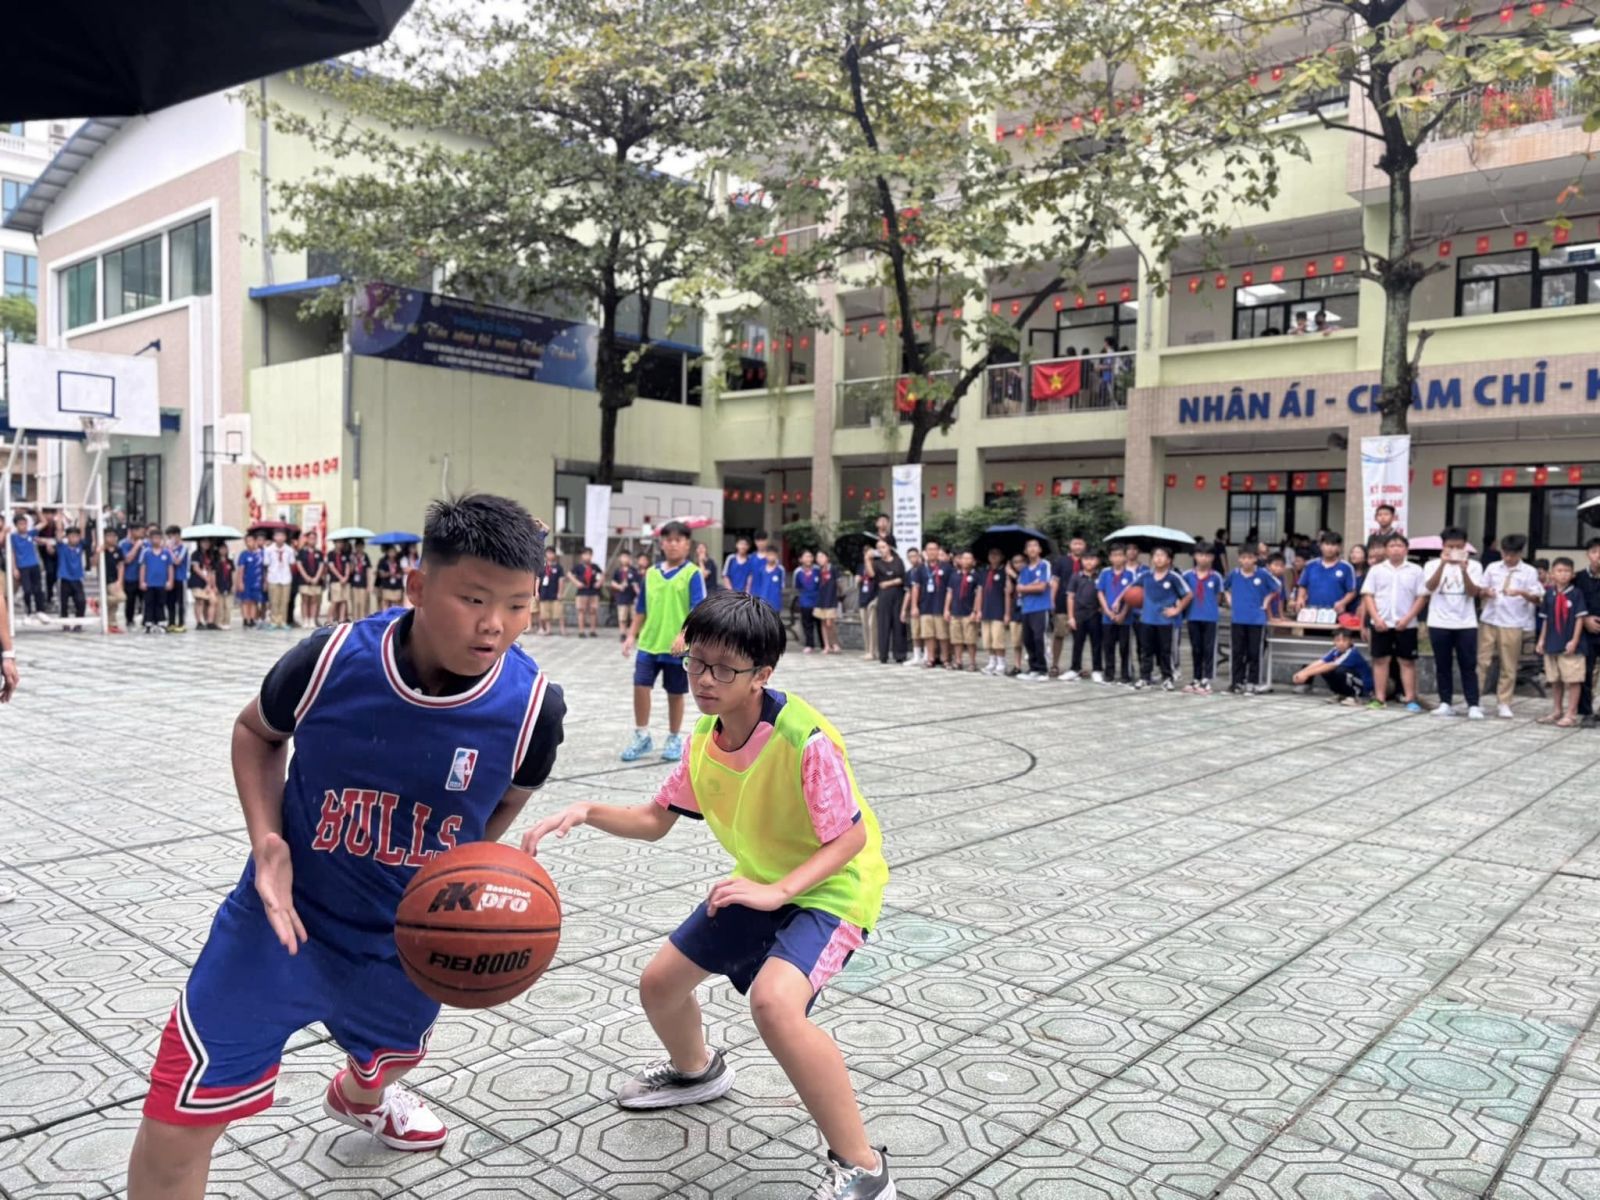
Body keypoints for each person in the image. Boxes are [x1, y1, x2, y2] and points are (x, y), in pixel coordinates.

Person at [124, 496, 565, 1200]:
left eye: (518, 605)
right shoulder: (331, 659)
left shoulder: (534, 708)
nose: (495, 625)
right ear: (417, 586)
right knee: (176, 1123)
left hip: (406, 941)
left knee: (393, 1058)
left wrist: (468, 875)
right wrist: (268, 842)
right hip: (281, 922)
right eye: (475, 599)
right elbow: (257, 732)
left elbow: (509, 797)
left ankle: (364, 1098)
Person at [522, 590, 894, 1200]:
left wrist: (778, 891)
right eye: (696, 662)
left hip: (832, 891)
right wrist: (586, 810)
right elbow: (654, 819)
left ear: (761, 675)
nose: (703, 679)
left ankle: (864, 1167)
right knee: (659, 984)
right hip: (761, 882)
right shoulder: (704, 737)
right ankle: (697, 1071)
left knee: (775, 1005)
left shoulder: (803, 737)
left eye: (724, 669)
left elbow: (849, 840)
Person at [622, 521, 707, 762]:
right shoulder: (650, 573)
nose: (673, 544)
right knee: (640, 686)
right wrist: (631, 635)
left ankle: (673, 737)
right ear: (662, 544)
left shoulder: (692, 573)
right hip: (649, 642)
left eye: (678, 540)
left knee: (675, 693)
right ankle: (642, 735)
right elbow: (641, 608)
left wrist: (684, 635)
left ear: (687, 544)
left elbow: (698, 610)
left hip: (677, 647)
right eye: (668, 540)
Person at [1421, 526, 1485, 719]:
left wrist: (1464, 571)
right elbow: (1430, 587)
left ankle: (1473, 704)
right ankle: (1445, 702)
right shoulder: (1431, 565)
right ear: (1443, 546)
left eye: (1459, 546)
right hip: (1439, 622)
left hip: (1466, 623)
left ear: (1465, 546)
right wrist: (1442, 564)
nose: (1455, 550)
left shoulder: (1475, 566)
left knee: (1468, 664)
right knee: (1443, 664)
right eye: (1450, 546)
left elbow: (1473, 593)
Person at [1478, 534, 1542, 719]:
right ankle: (1476, 698)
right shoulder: (1492, 567)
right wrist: (1487, 592)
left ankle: (1504, 702)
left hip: (1513, 622)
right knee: (1482, 661)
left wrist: (1521, 592)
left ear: (1520, 553)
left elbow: (1537, 598)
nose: (1507, 558)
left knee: (1509, 664)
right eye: (1504, 554)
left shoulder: (1529, 571)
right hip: (1490, 619)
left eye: (1512, 555)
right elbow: (1480, 590)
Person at [1362, 532, 1427, 712]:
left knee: (1407, 661)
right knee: (1380, 661)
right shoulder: (1376, 570)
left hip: (1406, 624)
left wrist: (1407, 619)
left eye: (1400, 546)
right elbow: (1368, 595)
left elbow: (1422, 597)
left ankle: (1410, 699)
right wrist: (1376, 618)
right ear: (1386, 549)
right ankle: (1379, 698)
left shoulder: (1416, 570)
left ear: (1406, 549)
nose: (1396, 549)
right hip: (1381, 623)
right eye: (1392, 546)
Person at [1537, 557, 1588, 727]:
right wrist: (1542, 640)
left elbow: (1580, 618)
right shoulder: (1549, 594)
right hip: (1552, 642)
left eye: (1567, 571)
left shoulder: (1576, 593)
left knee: (1573, 679)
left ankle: (1571, 713)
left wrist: (1574, 640)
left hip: (1570, 645)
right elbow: (1546, 619)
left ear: (1573, 574)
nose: (1563, 574)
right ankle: (1557, 710)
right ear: (1552, 574)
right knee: (1555, 679)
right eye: (1559, 571)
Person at [1132, 546, 1191, 690]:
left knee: (1165, 651)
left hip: (1165, 621)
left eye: (1162, 555)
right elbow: (1131, 590)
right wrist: (1119, 601)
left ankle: (1167, 678)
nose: (1158, 558)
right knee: (1146, 650)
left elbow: (1188, 595)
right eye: (1155, 555)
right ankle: (1145, 678)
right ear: (1152, 559)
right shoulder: (1145, 576)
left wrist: (1177, 609)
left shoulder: (1173, 577)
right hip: (1147, 619)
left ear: (1169, 560)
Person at [1224, 545, 1275, 694]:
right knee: (1237, 651)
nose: (1246, 561)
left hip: (1256, 619)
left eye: (1250, 557)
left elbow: (1275, 588)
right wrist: (1229, 598)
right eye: (1243, 558)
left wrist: (1265, 602)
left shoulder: (1263, 574)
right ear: (1239, 559)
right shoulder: (1234, 574)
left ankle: (1253, 682)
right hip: (1238, 618)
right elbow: (1224, 587)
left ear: (1256, 558)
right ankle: (1236, 682)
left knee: (1255, 652)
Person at [1292, 626, 1374, 705]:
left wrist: (1306, 674)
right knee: (1325, 671)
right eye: (1338, 640)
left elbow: (1332, 665)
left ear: (1351, 641)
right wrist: (1301, 672)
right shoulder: (1335, 650)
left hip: (1363, 686)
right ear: (1334, 641)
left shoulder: (1352, 652)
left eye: (1344, 640)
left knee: (1339, 670)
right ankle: (1341, 694)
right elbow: (1322, 661)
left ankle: (1356, 697)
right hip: (1350, 680)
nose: (1341, 643)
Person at [1183, 543, 1223, 694]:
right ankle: (1196, 677)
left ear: (1212, 557)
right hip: (1193, 616)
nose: (1203, 558)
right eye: (1200, 555)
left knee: (1208, 648)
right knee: (1196, 648)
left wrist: (1210, 608)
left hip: (1210, 617)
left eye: (1207, 555)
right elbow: (1182, 594)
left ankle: (1207, 679)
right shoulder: (1187, 575)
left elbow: (1218, 597)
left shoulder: (1216, 576)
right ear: (1195, 556)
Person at [1097, 544, 1135, 685]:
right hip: (1107, 618)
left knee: (1125, 647)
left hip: (1125, 619)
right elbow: (1100, 592)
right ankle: (1109, 674)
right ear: (1110, 558)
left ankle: (1126, 674)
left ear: (1125, 557)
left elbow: (1132, 596)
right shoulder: (1105, 573)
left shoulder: (1130, 574)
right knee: (1108, 646)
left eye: (1120, 555)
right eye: (1114, 555)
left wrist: (1123, 613)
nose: (1117, 558)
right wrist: (1107, 611)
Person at [1294, 532, 1357, 618]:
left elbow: (1352, 591)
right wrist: (1300, 598)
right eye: (1327, 544)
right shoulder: (1310, 565)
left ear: (1339, 547)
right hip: (1311, 613)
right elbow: (1303, 585)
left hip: (1336, 614)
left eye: (1333, 545)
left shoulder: (1347, 567)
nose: (1329, 548)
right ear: (1321, 546)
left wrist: (1343, 603)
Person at [1015, 538, 1053, 681]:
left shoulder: (1044, 565)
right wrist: (1031, 586)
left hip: (1040, 607)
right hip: (1026, 608)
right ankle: (1033, 668)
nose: (1032, 548)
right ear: (1025, 551)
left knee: (1039, 638)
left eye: (1035, 546)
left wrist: (1027, 588)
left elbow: (1042, 587)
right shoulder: (1024, 569)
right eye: (1029, 546)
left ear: (1040, 549)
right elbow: (1019, 588)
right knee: (1028, 639)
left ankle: (1043, 670)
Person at [1049, 537, 1085, 678]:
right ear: (1070, 545)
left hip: (1082, 605)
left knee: (1079, 637)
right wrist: (1052, 600)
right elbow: (1055, 581)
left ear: (1084, 546)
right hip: (1062, 603)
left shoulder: (1087, 561)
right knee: (1059, 634)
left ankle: (1077, 666)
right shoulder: (1061, 561)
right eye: (1075, 543)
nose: (1078, 546)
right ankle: (1054, 665)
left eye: (1080, 543)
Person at [866, 539, 906, 664]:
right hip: (883, 596)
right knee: (883, 624)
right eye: (878, 548)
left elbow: (901, 578)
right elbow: (872, 575)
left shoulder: (898, 561)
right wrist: (867, 559)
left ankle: (899, 654)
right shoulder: (877, 563)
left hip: (898, 595)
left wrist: (889, 583)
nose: (881, 550)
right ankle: (883, 654)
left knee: (898, 624)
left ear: (888, 547)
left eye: (883, 547)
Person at [1065, 547, 1103, 682]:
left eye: (1092, 559)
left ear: (1097, 561)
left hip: (1095, 614)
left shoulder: (1101, 576)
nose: (1089, 562)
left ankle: (1097, 669)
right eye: (1086, 559)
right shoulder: (1076, 576)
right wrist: (1071, 617)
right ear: (1081, 561)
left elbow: (1105, 594)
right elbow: (1070, 597)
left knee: (1096, 644)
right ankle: (1075, 669)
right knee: (1077, 643)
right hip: (1079, 615)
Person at [1575, 537, 1600, 728]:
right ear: (1587, 555)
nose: (1598, 556)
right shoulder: (1578, 578)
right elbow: (1572, 603)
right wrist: (1585, 620)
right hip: (1586, 632)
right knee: (1585, 672)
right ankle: (1586, 712)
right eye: (1594, 552)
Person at [915, 540, 951, 669]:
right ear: (925, 552)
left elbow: (950, 589)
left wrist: (948, 608)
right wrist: (914, 606)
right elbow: (916, 588)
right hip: (925, 605)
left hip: (940, 605)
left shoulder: (946, 567)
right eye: (929, 549)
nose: (932, 552)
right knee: (928, 634)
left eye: (934, 549)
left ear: (938, 551)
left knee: (943, 635)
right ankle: (930, 658)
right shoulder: (921, 568)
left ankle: (945, 659)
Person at [7, 512, 48, 624]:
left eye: (25, 524)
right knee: (27, 590)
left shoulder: (31, 533)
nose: (23, 526)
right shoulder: (13, 537)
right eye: (20, 524)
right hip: (23, 567)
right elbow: (12, 553)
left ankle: (40, 611)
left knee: (38, 589)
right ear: (16, 525)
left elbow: (44, 522)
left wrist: (37, 510)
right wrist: (14, 568)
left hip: (34, 565)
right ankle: (28, 613)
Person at [945, 549, 980, 671]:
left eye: (969, 558)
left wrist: (975, 611)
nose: (966, 561)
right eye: (964, 558)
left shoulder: (976, 576)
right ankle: (958, 661)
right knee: (956, 639)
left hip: (969, 612)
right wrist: (946, 609)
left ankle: (972, 663)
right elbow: (949, 593)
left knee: (970, 640)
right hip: (955, 611)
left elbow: (978, 595)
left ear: (973, 561)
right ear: (960, 560)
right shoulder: (954, 575)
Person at [979, 547, 1009, 675]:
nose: (993, 556)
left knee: (998, 639)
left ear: (1002, 557)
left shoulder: (1005, 572)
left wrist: (1007, 613)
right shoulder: (984, 572)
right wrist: (978, 610)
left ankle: (1001, 664)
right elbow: (980, 592)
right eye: (991, 554)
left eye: (996, 554)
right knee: (987, 639)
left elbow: (1007, 594)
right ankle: (992, 662)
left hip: (999, 610)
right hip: (986, 609)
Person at [139, 529, 175, 633]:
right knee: (149, 603)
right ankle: (148, 623)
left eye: (158, 538)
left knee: (161, 603)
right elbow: (143, 567)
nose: (156, 540)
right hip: (149, 584)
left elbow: (170, 567)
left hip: (162, 584)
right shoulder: (146, 552)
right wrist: (142, 581)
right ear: (150, 539)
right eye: (154, 538)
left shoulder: (166, 553)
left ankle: (161, 623)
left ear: (161, 539)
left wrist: (170, 581)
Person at [263, 530, 296, 631]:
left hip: (286, 578)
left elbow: (292, 563)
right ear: (274, 537)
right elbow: (266, 564)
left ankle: (283, 621)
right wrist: (266, 580)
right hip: (273, 578)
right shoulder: (268, 550)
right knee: (274, 601)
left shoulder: (289, 550)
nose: (280, 538)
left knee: (284, 601)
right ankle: (274, 621)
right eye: (278, 536)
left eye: (282, 536)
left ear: (285, 538)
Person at [56, 526, 87, 630]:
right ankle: (65, 623)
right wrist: (59, 518)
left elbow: (83, 531)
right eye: (72, 536)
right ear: (67, 537)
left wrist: (82, 516)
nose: (74, 538)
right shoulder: (62, 547)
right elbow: (59, 534)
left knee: (81, 601)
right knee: (64, 603)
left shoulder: (80, 546)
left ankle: (79, 623)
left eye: (76, 536)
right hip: (65, 579)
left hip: (77, 579)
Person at [570, 547, 603, 639]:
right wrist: (576, 583)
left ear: (591, 556)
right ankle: (581, 631)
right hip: (582, 592)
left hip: (593, 592)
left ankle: (593, 630)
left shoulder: (595, 567)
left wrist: (599, 583)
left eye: (589, 554)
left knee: (593, 611)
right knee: (581, 611)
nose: (587, 556)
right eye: (585, 554)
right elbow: (569, 574)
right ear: (582, 556)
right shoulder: (578, 567)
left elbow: (602, 575)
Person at [901, 547, 926, 665]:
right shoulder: (908, 573)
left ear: (919, 556)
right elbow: (908, 592)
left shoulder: (925, 569)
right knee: (915, 631)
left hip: (926, 604)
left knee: (926, 632)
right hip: (914, 606)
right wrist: (903, 609)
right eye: (910, 557)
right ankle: (917, 656)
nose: (913, 559)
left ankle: (927, 655)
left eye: (914, 556)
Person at [813, 550, 841, 654]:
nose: (819, 559)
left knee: (830, 623)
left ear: (827, 557)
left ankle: (835, 643)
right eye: (818, 557)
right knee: (823, 623)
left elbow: (839, 584)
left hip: (831, 599)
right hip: (821, 600)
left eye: (822, 556)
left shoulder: (833, 569)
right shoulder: (818, 570)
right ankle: (827, 645)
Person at [120, 523, 147, 630]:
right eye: (140, 531)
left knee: (145, 600)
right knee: (130, 601)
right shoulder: (123, 544)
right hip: (129, 577)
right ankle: (129, 620)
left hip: (143, 578)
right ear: (132, 531)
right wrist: (136, 546)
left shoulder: (145, 543)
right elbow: (127, 560)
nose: (142, 534)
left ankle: (146, 620)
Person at [295, 534, 325, 628]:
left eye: (314, 538)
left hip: (316, 580)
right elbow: (299, 565)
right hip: (304, 580)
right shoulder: (301, 552)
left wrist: (316, 577)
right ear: (307, 539)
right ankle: (305, 620)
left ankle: (312, 619)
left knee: (314, 600)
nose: (313, 540)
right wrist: (306, 577)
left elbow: (321, 566)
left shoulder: (319, 553)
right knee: (305, 600)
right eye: (311, 538)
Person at [795, 550, 822, 653]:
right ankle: (809, 645)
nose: (808, 559)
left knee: (820, 624)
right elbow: (797, 586)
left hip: (818, 601)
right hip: (805, 601)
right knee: (807, 624)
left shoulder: (817, 570)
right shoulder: (798, 572)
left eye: (810, 556)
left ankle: (824, 645)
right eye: (806, 556)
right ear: (800, 559)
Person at [610, 551, 640, 641]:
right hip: (622, 597)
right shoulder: (617, 571)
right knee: (622, 617)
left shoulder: (634, 571)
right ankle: (622, 633)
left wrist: (637, 591)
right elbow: (613, 582)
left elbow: (637, 582)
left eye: (627, 557)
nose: (625, 559)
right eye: (623, 557)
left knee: (633, 617)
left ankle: (632, 633)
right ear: (620, 558)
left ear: (630, 558)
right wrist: (619, 586)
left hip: (632, 597)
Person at [237, 535, 265, 629]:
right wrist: (240, 582)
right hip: (246, 581)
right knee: (246, 601)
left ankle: (252, 619)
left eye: (251, 540)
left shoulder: (260, 554)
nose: (249, 543)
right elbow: (241, 569)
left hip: (256, 581)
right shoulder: (244, 554)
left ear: (255, 541)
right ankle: (246, 619)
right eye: (247, 541)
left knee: (254, 601)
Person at [167, 527, 191, 633]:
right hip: (170, 578)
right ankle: (171, 622)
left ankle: (181, 623)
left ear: (177, 535)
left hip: (180, 578)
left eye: (171, 537)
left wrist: (169, 550)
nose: (170, 539)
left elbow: (177, 561)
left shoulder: (183, 547)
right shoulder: (168, 548)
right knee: (170, 601)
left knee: (181, 602)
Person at [538, 550, 567, 635]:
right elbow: (538, 580)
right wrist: (537, 592)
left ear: (555, 554)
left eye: (551, 553)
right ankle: (548, 629)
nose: (550, 555)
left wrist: (560, 592)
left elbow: (561, 580)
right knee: (545, 613)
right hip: (544, 593)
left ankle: (562, 629)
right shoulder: (541, 567)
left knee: (560, 613)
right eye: (548, 553)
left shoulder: (558, 567)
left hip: (555, 593)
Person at [752, 544, 787, 615]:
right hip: (763, 602)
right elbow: (758, 585)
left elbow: (782, 585)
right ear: (766, 555)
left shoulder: (780, 569)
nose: (771, 557)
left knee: (775, 621)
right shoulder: (761, 569)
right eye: (769, 555)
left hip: (775, 603)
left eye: (773, 555)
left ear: (777, 556)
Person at [856, 551, 878, 663]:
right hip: (863, 598)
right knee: (865, 626)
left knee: (872, 625)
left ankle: (873, 651)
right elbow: (857, 582)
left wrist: (868, 562)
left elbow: (872, 575)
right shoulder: (860, 566)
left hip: (873, 598)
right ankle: (867, 650)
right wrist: (857, 580)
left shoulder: (877, 565)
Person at [103, 530, 127, 633]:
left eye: (114, 536)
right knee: (121, 597)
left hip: (114, 579)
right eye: (109, 536)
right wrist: (98, 551)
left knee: (115, 604)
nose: (111, 538)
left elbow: (121, 565)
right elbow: (93, 562)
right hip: (105, 579)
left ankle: (112, 624)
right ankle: (98, 601)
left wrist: (120, 580)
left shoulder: (118, 550)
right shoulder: (102, 549)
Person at [326, 541, 351, 625]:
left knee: (344, 600)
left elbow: (347, 566)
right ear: (335, 543)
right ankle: (329, 619)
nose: (340, 544)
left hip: (345, 581)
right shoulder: (331, 554)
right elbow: (331, 567)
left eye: (342, 543)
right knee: (335, 601)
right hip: (335, 580)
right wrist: (340, 577)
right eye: (339, 542)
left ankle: (341, 619)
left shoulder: (345, 554)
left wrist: (346, 577)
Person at [375, 545, 405, 613]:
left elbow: (402, 572)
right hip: (386, 586)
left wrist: (399, 575)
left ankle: (396, 617)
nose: (392, 553)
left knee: (397, 605)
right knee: (386, 604)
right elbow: (381, 574)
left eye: (394, 551)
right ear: (387, 553)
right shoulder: (383, 561)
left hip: (397, 586)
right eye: (390, 552)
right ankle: (386, 617)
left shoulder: (398, 561)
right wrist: (389, 574)